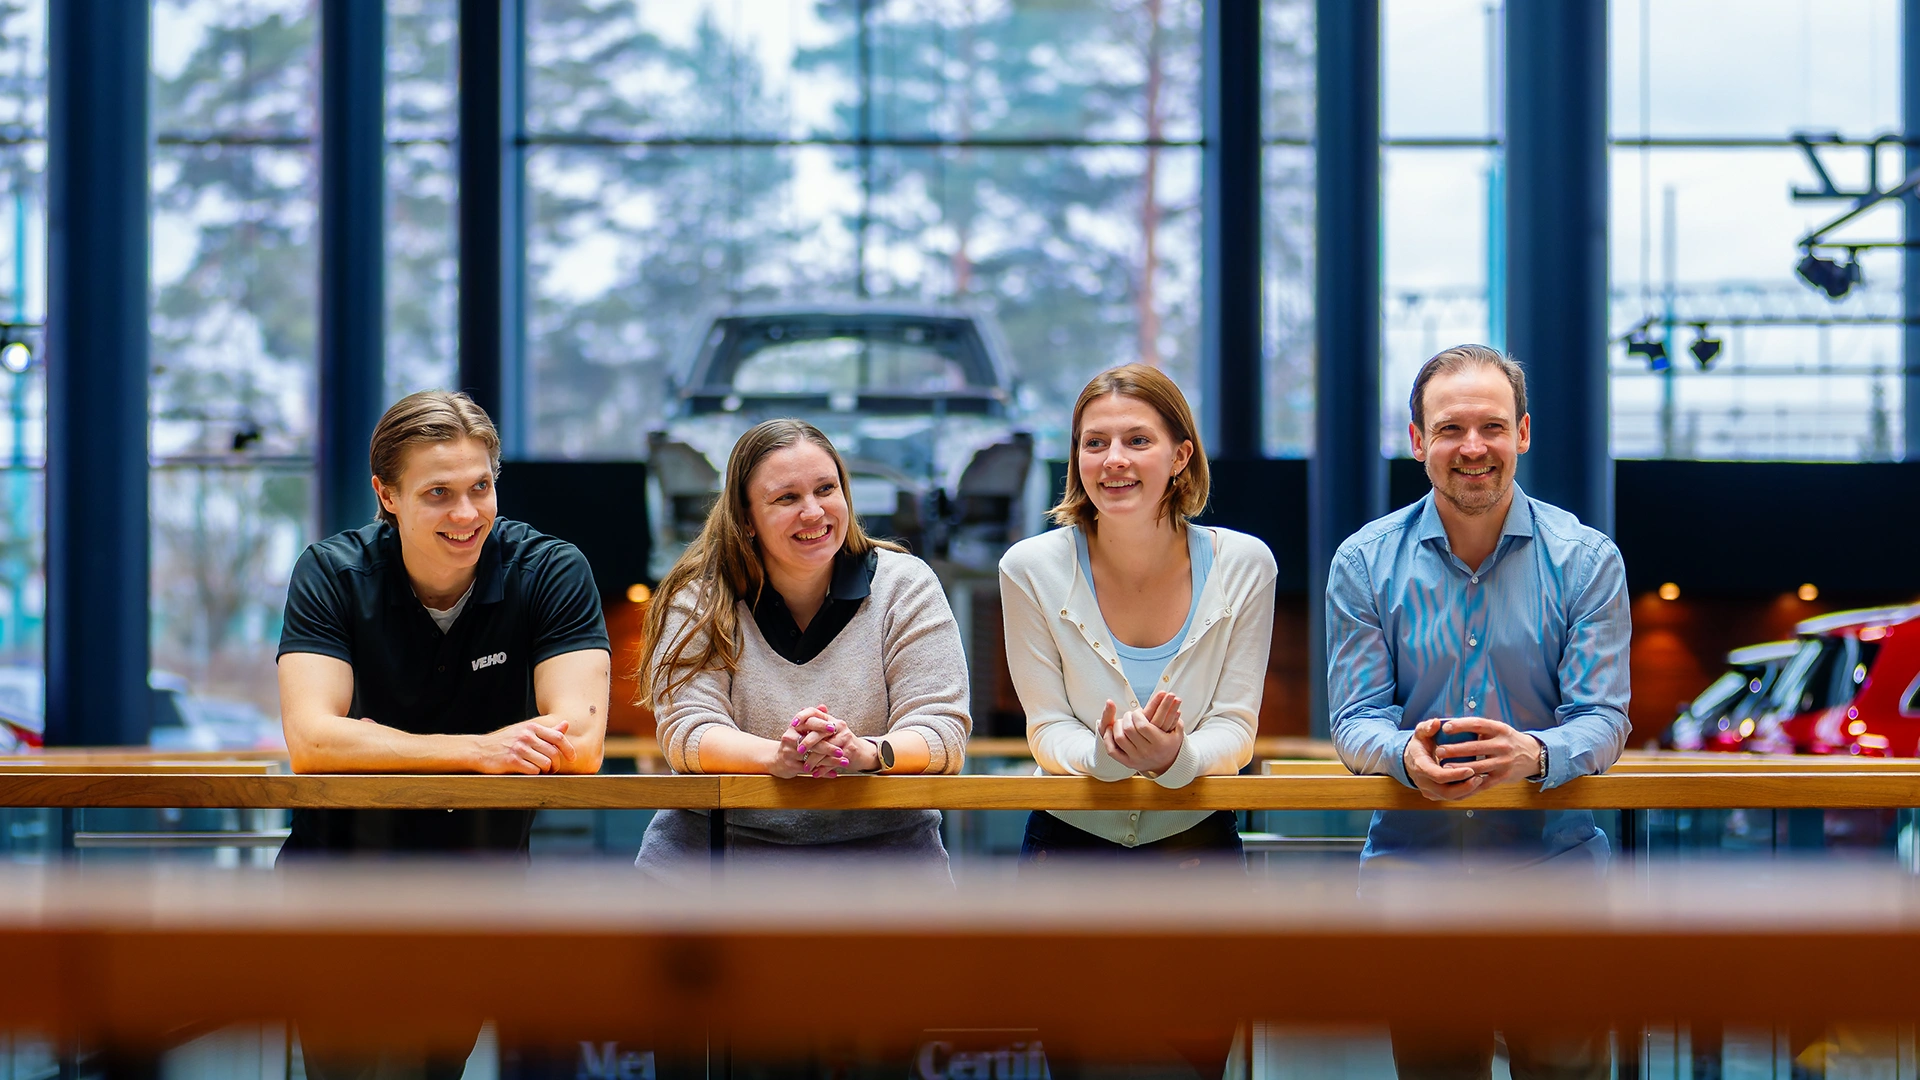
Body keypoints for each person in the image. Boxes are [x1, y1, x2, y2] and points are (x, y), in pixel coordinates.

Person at [1327, 344, 1631, 1080]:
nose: (1473, 448)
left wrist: (1535, 755)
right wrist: (1403, 754)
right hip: (1415, 887)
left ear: (1523, 434)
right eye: (1450, 429)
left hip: (1555, 884)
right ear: (1416, 440)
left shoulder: (1587, 561)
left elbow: (1603, 717)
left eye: (1492, 427)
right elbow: (1355, 718)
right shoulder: (1363, 564)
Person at [277, 390, 612, 856]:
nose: (466, 514)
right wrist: (482, 751)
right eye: (438, 492)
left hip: (486, 892)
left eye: (480, 487)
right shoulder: (331, 572)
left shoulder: (552, 571)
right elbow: (312, 742)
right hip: (337, 886)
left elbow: (581, 743)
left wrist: (371, 743)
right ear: (386, 494)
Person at [633, 418, 971, 875]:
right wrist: (777, 758)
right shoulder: (699, 596)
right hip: (712, 866)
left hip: (887, 867)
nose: (813, 512)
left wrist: (865, 753)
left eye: (826, 489)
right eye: (787, 498)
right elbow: (687, 735)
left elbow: (942, 733)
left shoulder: (906, 586)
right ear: (746, 519)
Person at [999, 363, 1277, 869]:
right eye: (1095, 443)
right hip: (1065, 845)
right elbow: (1047, 729)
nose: (1114, 460)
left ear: (1181, 456)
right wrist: (1101, 758)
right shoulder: (1029, 568)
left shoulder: (1246, 564)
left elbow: (1235, 729)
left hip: (1199, 843)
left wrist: (1176, 759)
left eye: (1138, 441)